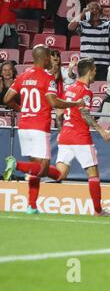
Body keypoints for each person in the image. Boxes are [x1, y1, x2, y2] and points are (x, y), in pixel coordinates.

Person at [2, 44, 84, 215]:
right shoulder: (48, 78)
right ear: (46, 58)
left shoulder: (23, 76)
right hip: (39, 127)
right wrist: (75, 103)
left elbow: (7, 98)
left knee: (36, 168)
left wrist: (22, 109)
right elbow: (54, 102)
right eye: (49, 56)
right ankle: (15, 164)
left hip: (24, 126)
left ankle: (31, 205)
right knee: (43, 168)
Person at [56, 58, 110, 217]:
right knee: (93, 172)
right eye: (95, 70)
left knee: (61, 173)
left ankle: (35, 173)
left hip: (65, 136)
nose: (95, 73)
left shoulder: (69, 89)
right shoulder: (85, 91)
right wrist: (101, 130)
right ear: (89, 71)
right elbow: (85, 113)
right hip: (80, 136)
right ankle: (98, 211)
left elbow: (59, 112)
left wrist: (60, 131)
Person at [68, 2, 110, 81]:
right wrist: (82, 14)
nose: (94, 11)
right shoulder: (83, 25)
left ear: (100, 11)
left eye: (96, 9)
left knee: (100, 88)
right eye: (91, 9)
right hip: (86, 64)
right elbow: (70, 27)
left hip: (102, 65)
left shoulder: (106, 25)